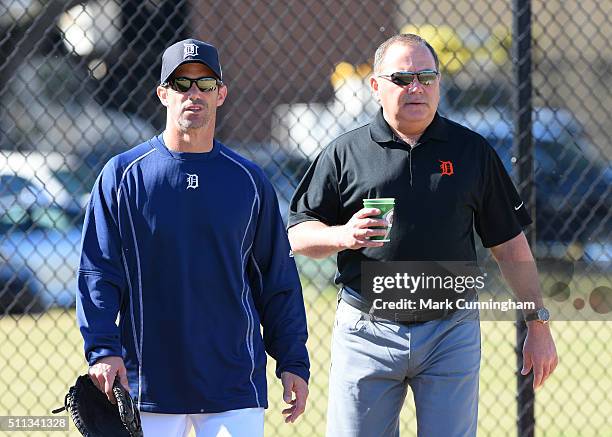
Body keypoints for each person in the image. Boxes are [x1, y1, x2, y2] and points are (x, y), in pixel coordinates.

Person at [287, 33, 557, 437]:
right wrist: (345, 235)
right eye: (402, 78)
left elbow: (509, 243)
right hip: (368, 329)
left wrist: (537, 325)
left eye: (426, 77)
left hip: (450, 329)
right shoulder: (345, 152)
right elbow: (297, 235)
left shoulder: (472, 151)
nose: (416, 87)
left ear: (439, 85)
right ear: (376, 86)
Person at [77, 38, 309, 437]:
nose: (194, 94)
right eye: (181, 84)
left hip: (234, 383)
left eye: (205, 84)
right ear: (163, 93)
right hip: (148, 383)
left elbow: (277, 281)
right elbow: (98, 271)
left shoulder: (249, 181)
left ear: (221, 94)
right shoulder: (122, 176)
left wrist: (292, 360)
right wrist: (103, 349)